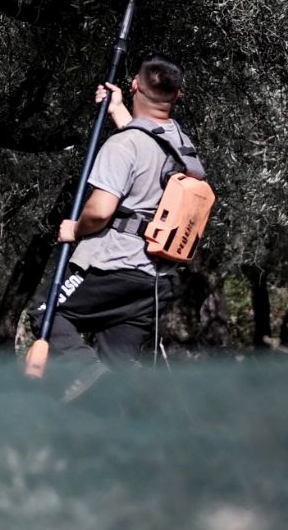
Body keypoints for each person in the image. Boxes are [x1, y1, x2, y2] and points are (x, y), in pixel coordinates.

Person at [45, 54, 205, 392]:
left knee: (45, 313)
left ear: (134, 85)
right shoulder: (182, 146)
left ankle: (88, 375)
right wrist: (118, 109)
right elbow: (145, 148)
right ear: (178, 96)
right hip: (155, 282)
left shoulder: (122, 146)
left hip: (113, 267)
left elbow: (101, 211)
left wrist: (74, 229)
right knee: (117, 370)